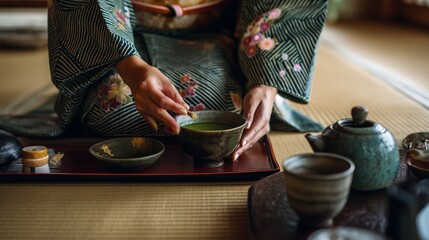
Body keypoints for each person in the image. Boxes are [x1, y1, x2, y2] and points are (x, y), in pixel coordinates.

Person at [2, 0, 327, 161]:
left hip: (219, 29)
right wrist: (131, 69)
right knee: (113, 109)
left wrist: (264, 80)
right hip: (120, 33)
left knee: (232, 112)